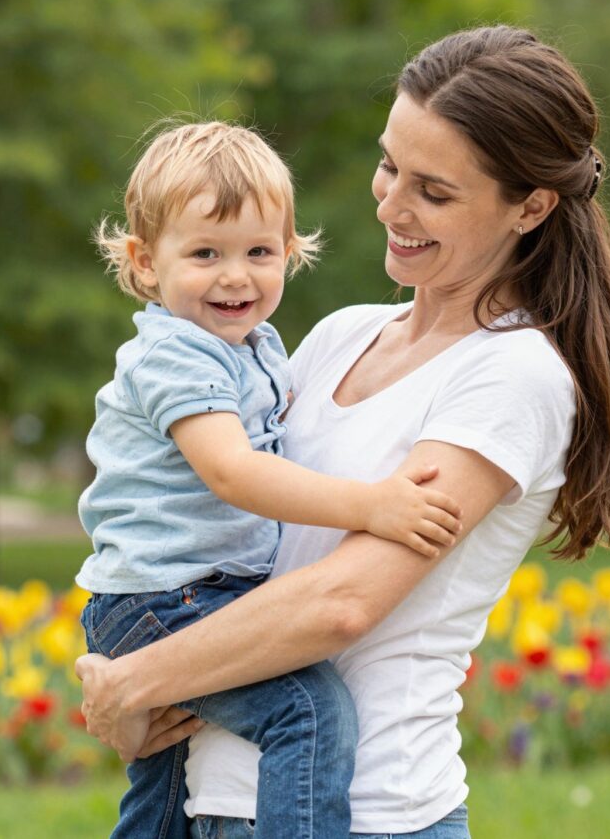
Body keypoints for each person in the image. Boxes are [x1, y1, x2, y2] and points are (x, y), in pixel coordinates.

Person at [76, 25, 610, 838]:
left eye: (434, 192)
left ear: (531, 206)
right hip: (220, 799)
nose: (391, 204)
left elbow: (342, 603)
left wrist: (127, 682)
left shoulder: (510, 375)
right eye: (389, 166)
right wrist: (147, 693)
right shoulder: (340, 334)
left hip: (370, 814)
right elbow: (220, 514)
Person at [76, 122, 464, 839]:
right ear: (144, 262)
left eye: (259, 252)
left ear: (289, 252)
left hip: (181, 591)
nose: (235, 275)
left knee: (167, 766)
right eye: (204, 254)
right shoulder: (176, 356)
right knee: (308, 712)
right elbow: (233, 471)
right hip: (167, 597)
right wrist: (373, 506)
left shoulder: (255, 346)